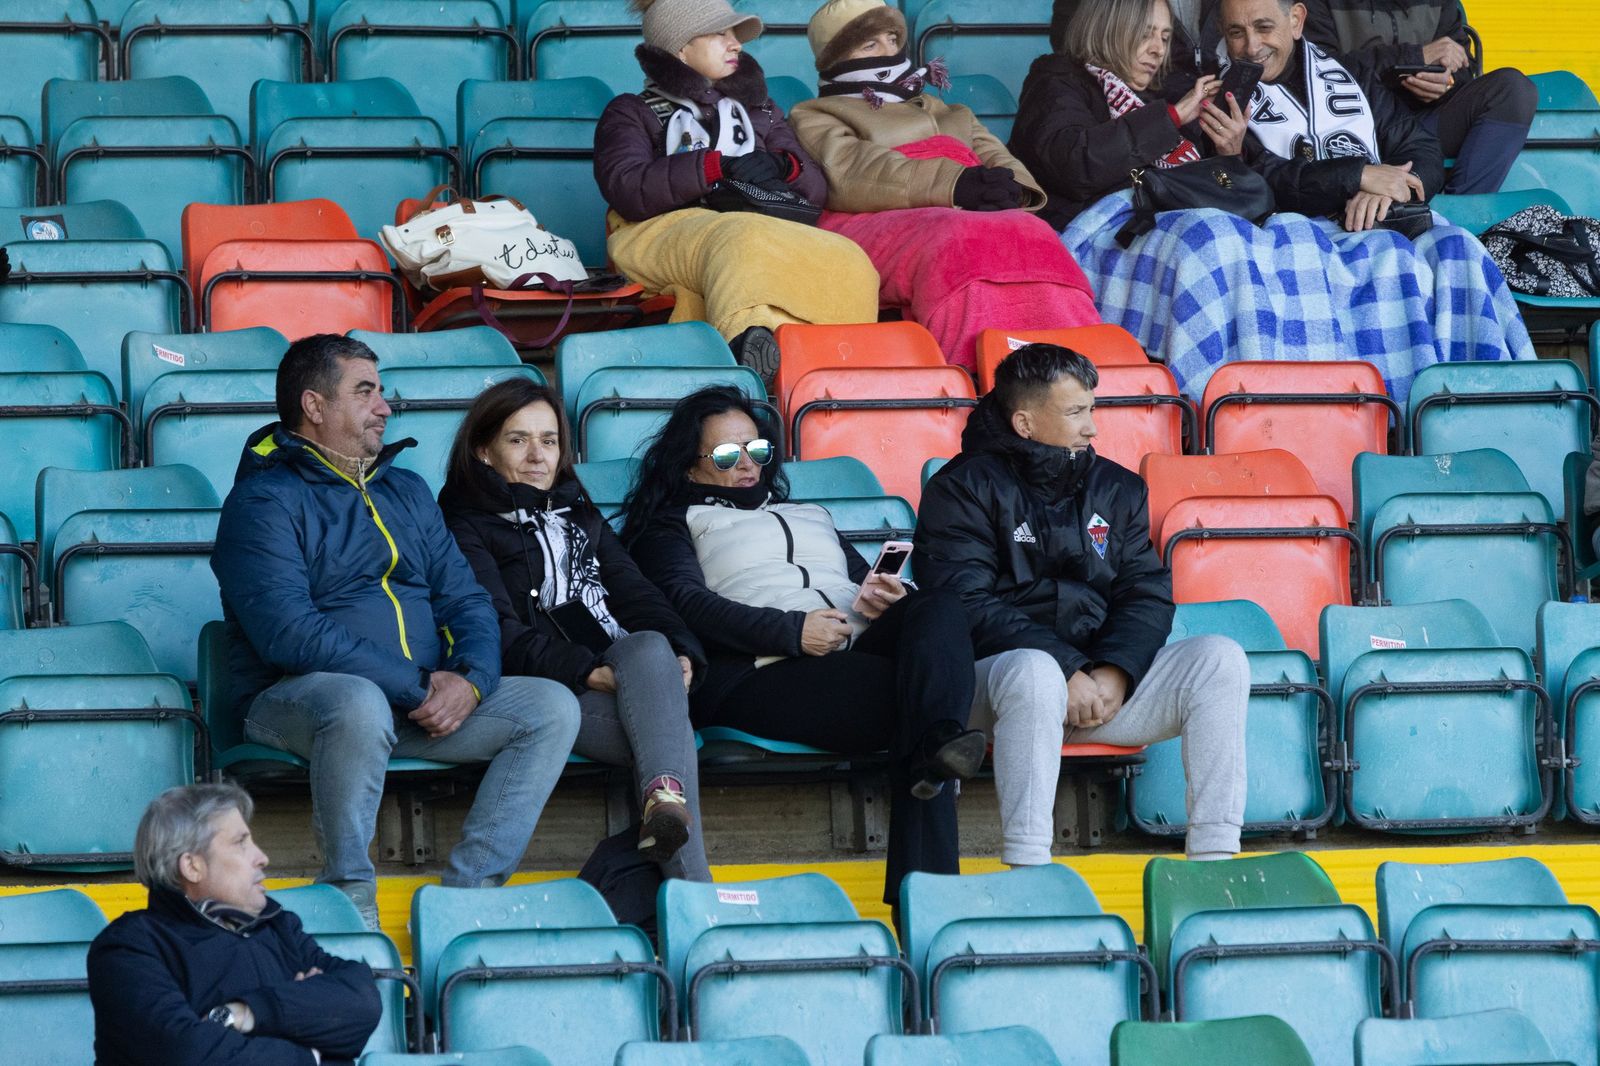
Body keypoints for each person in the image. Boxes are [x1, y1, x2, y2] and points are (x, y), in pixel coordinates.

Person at [211, 334, 581, 930]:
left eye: (381, 391)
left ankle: (465, 901)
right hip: (296, 704)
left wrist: (472, 682)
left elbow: (466, 599)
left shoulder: (405, 490)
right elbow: (289, 633)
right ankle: (350, 897)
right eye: (365, 392)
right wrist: (418, 686)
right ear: (314, 406)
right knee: (357, 701)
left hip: (413, 705)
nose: (384, 407)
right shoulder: (263, 501)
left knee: (550, 706)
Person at [1011, 0, 1535, 404]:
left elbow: (1414, 147)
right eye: (1144, 34)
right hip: (1136, 225)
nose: (1156, 48)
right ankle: (1232, 405)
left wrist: (1398, 182)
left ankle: (1449, 407)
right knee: (1240, 237)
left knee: (1453, 247)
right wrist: (1211, 140)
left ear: (1297, 21)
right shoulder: (1066, 78)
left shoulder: (1338, 75)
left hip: (1287, 218)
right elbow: (1078, 161)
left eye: (1164, 37)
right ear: (1111, 28)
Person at [619, 386, 986, 905]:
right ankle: (932, 880)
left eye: (757, 449)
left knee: (940, 605)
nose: (747, 464)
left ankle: (938, 748)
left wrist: (886, 598)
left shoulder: (812, 514)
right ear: (689, 467)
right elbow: (687, 605)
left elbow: (860, 584)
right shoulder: (671, 525)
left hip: (852, 644)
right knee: (917, 704)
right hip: (760, 668)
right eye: (725, 454)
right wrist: (792, 631)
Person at [916, 344, 1250, 865]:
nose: (1092, 427)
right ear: (1025, 423)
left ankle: (1215, 858)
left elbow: (1145, 592)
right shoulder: (961, 489)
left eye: (1091, 409)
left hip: (1097, 692)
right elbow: (963, 601)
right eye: (1075, 412)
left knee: (1220, 659)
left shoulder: (1118, 488)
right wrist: (1066, 668)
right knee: (1034, 672)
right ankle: (1028, 866)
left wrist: (1116, 671)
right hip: (996, 693)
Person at [437, 378, 712, 881]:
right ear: (483, 451)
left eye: (549, 440)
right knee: (666, 740)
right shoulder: (462, 525)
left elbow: (638, 594)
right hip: (549, 687)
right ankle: (691, 888)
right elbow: (493, 631)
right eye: (518, 440)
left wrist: (681, 652)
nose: (537, 456)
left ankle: (661, 821)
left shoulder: (577, 511)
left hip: (626, 672)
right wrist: (588, 672)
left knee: (652, 645)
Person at [785, 0, 1101, 371]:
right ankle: (976, 369)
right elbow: (851, 172)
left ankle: (1078, 365)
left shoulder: (949, 111)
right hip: (872, 215)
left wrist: (1009, 190)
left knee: (1034, 231)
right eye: (870, 45)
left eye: (892, 39)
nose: (889, 51)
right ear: (834, 58)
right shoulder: (815, 114)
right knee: (957, 237)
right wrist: (956, 184)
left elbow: (997, 157)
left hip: (962, 208)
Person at [594, 0, 880, 381]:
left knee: (848, 254)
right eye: (720, 34)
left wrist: (783, 166)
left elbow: (814, 190)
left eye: (735, 34)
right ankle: (743, 355)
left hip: (751, 225)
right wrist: (713, 167)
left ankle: (837, 369)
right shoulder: (630, 111)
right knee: (741, 240)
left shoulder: (760, 110)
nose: (736, 44)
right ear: (680, 48)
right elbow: (627, 188)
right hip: (655, 233)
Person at [88, 784, 381, 1065]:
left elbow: (363, 1002)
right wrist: (312, 1053)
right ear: (192, 866)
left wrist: (245, 1013)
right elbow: (189, 1055)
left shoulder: (277, 926)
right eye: (241, 843)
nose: (262, 858)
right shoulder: (129, 947)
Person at [1302, 0, 1534, 194]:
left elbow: (1462, 65)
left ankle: (1465, 217)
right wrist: (1412, 57)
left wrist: (1446, 83)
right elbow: (1314, 67)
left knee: (1512, 89)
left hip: (1423, 128)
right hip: (1352, 132)